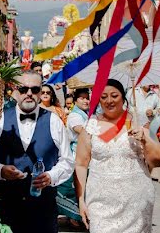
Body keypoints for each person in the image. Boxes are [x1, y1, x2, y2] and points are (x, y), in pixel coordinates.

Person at [0, 70, 74, 233]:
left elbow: (67, 160)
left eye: (35, 90)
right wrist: (1, 171)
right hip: (6, 208)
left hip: (43, 210)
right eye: (23, 89)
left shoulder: (53, 121)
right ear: (15, 91)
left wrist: (51, 176)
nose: (29, 94)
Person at [75, 79, 160, 232]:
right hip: (100, 203)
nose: (109, 100)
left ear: (123, 97)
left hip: (136, 202)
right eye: (103, 97)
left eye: (114, 96)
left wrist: (144, 139)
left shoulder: (139, 122)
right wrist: (81, 200)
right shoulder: (90, 125)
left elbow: (157, 161)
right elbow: (81, 164)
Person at [57, 88, 90, 229]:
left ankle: (80, 216)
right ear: (76, 100)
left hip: (87, 156)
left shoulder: (86, 114)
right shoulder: (75, 116)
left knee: (84, 187)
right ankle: (75, 216)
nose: (85, 100)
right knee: (76, 188)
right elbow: (81, 131)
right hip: (77, 155)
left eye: (87, 98)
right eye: (82, 98)